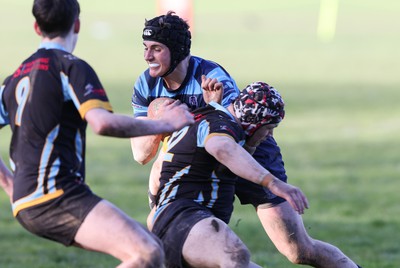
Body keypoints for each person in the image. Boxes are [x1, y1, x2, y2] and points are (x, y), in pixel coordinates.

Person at [131, 11, 361, 268]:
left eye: (156, 49)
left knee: (297, 250)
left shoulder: (211, 78)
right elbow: (141, 154)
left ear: (178, 50)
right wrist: (159, 117)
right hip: (199, 160)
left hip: (250, 152)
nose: (147, 56)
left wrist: (272, 183)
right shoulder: (146, 86)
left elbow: (234, 138)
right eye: (146, 48)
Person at [0, 1, 194, 267]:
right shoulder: (71, 67)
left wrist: (11, 185)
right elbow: (102, 123)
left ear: (36, 27)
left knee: (144, 251)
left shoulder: (14, 78)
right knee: (147, 252)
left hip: (26, 200)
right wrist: (165, 124)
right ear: (77, 24)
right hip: (58, 195)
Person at [150, 82, 309, 268]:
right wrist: (274, 183)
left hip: (177, 220)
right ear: (254, 122)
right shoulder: (219, 125)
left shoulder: (208, 117)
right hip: (184, 217)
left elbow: (159, 169)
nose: (270, 134)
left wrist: (156, 210)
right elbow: (223, 148)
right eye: (269, 127)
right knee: (234, 255)